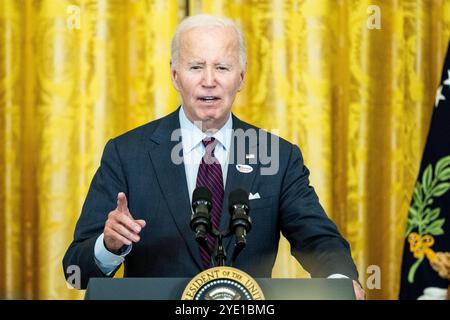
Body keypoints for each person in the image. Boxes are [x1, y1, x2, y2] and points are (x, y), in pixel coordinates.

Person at [62, 14, 365, 299]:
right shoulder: (127, 154)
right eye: (196, 67)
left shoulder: (278, 157)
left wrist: (339, 282)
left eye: (222, 67)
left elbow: (318, 240)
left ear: (241, 77)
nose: (210, 80)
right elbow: (76, 272)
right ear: (175, 75)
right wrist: (109, 245)